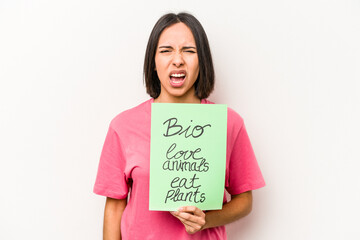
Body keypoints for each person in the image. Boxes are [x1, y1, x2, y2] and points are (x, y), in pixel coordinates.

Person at [93, 12, 265, 240]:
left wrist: (206, 221)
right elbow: (114, 207)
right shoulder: (123, 126)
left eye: (189, 51)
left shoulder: (228, 123)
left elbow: (244, 200)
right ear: (153, 62)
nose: (177, 60)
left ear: (202, 60)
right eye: (166, 50)